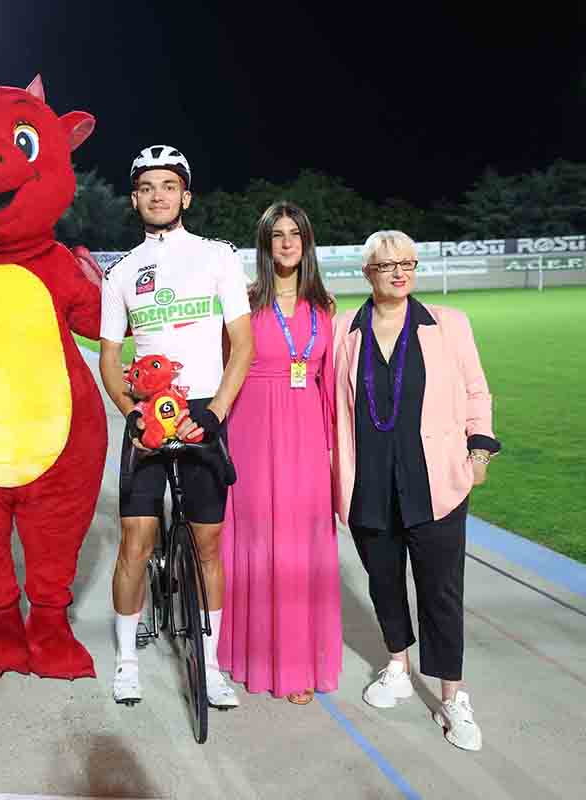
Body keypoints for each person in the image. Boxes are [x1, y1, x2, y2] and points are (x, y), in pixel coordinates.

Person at [332, 229, 501, 751]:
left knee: (441, 592)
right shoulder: (345, 330)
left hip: (436, 482)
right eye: (388, 265)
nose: (400, 272)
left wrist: (477, 454)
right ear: (368, 273)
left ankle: (453, 697)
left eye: (408, 263)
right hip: (369, 482)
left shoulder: (448, 325)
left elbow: (477, 389)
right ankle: (397, 666)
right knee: (383, 582)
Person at [99, 145, 254, 708]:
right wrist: (132, 413)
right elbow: (109, 358)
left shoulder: (217, 257)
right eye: (147, 188)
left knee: (208, 542)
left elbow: (243, 346)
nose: (158, 196)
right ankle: (125, 660)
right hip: (146, 415)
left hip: (204, 410)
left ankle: (211, 667)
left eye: (169, 186)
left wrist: (214, 414)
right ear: (135, 198)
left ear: (185, 196)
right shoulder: (119, 272)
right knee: (135, 543)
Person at [217, 201, 341, 703]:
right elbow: (224, 372)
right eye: (277, 235)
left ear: (307, 243)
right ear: (264, 245)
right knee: (254, 540)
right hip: (251, 435)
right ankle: (245, 657)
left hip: (306, 441)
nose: (287, 243)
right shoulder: (243, 303)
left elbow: (330, 386)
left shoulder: (325, 308)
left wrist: (336, 456)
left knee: (299, 548)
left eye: (296, 234)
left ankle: (296, 664)